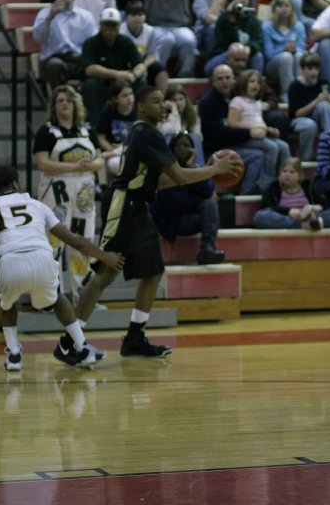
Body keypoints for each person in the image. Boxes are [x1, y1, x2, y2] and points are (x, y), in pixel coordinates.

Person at [56, 86, 241, 359]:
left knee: (153, 272)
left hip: (138, 207)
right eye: (156, 101)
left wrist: (207, 173)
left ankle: (134, 337)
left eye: (163, 101)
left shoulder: (144, 134)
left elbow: (163, 180)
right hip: (124, 206)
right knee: (104, 274)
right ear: (141, 107)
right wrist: (214, 169)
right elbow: (177, 177)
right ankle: (69, 342)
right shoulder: (148, 134)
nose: (163, 106)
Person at [0, 166, 124, 371]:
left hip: (8, 261)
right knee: (57, 298)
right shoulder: (36, 205)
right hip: (42, 257)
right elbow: (74, 240)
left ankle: (14, 355)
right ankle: (83, 348)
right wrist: (105, 256)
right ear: (17, 183)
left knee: (7, 305)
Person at [33, 85, 104, 299]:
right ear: (54, 106)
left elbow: (99, 159)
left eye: (68, 100)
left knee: (84, 240)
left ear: (76, 105)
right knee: (53, 243)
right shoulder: (46, 132)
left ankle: (82, 295)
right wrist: (76, 167)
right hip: (56, 192)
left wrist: (90, 166)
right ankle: (51, 296)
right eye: (60, 100)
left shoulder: (87, 130)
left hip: (84, 191)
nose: (64, 104)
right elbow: (43, 164)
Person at [150, 131, 225, 264]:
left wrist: (191, 167)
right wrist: (198, 200)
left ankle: (207, 249)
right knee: (208, 206)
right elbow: (176, 204)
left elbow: (207, 191)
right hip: (171, 222)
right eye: (178, 146)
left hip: (190, 216)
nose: (183, 148)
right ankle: (206, 249)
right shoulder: (164, 172)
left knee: (210, 205)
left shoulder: (194, 168)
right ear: (171, 150)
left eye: (186, 145)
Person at [198, 65, 264, 195]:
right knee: (259, 155)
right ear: (213, 81)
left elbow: (265, 93)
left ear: (234, 79)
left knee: (278, 146)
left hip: (237, 141)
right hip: (217, 148)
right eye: (220, 78)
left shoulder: (240, 93)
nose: (224, 81)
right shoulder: (208, 102)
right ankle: (247, 194)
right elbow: (218, 134)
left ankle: (269, 186)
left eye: (228, 77)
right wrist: (250, 133)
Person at [80, 7, 146, 127]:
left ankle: (140, 122)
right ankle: (96, 126)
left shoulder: (126, 41)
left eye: (113, 25)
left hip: (122, 85)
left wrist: (134, 75)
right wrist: (119, 74)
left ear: (119, 26)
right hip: (102, 84)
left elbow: (140, 64)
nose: (110, 29)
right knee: (91, 85)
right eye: (107, 25)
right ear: (100, 25)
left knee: (141, 82)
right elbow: (89, 69)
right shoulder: (91, 43)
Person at [33, 0, 97, 93]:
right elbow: (39, 39)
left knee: (94, 68)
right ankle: (58, 103)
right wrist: (49, 18)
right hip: (54, 59)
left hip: (79, 59)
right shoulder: (45, 13)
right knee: (55, 66)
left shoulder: (86, 17)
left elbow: (93, 44)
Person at [227, 69, 290, 189]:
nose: (255, 84)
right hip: (247, 136)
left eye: (258, 82)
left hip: (260, 134)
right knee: (272, 147)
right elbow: (232, 123)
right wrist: (254, 128)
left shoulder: (257, 103)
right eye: (251, 81)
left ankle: (285, 180)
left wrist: (269, 130)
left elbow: (258, 122)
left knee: (284, 146)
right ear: (243, 83)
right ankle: (266, 183)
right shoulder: (237, 101)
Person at [253, 157, 330, 230]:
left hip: (311, 217)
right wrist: (289, 211)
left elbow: (325, 204)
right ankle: (305, 225)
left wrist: (318, 207)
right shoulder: (273, 188)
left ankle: (307, 223)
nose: (287, 175)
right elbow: (268, 207)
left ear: (299, 176)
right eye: (284, 171)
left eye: (292, 172)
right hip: (288, 218)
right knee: (260, 216)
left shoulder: (308, 187)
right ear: (279, 174)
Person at [288, 52, 330, 161]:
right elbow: (296, 114)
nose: (313, 72)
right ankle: (305, 158)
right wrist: (316, 101)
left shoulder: (323, 83)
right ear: (302, 69)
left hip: (318, 118)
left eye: (316, 68)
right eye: (310, 68)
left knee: (324, 105)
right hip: (299, 120)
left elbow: (328, 108)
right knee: (310, 124)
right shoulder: (295, 86)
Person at [205, 0, 264, 76]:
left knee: (258, 56)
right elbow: (221, 42)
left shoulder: (254, 21)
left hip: (247, 56)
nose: (243, 1)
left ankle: (255, 81)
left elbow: (259, 41)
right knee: (209, 69)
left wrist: (249, 47)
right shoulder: (224, 19)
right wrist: (231, 21)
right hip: (225, 53)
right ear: (232, 1)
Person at [262, 0, 306, 102]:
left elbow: (302, 48)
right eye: (280, 6)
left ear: (291, 9)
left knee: (299, 55)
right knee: (286, 57)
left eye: (286, 5)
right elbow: (268, 54)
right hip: (273, 65)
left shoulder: (298, 26)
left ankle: (301, 91)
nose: (283, 8)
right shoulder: (267, 26)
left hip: (294, 60)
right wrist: (284, 49)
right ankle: (287, 94)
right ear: (274, 9)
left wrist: (294, 50)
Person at [119, 0, 169, 93]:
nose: (137, 18)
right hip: (125, 64)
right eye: (133, 15)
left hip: (143, 62)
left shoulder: (149, 30)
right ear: (126, 16)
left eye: (140, 14)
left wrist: (143, 66)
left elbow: (152, 54)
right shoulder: (121, 30)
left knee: (161, 70)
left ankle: (160, 99)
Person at [96, 80, 136, 179]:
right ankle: (103, 189)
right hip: (113, 151)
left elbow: (143, 138)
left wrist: (123, 147)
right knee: (113, 162)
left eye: (131, 94)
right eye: (124, 95)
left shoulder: (139, 111)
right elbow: (101, 137)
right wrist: (111, 149)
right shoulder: (107, 112)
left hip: (134, 149)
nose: (129, 98)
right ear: (115, 99)